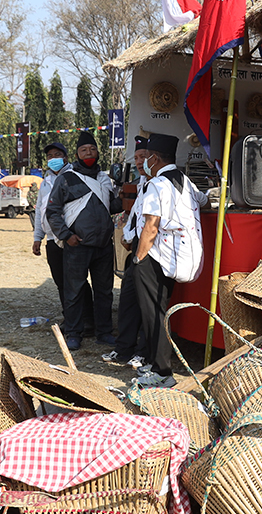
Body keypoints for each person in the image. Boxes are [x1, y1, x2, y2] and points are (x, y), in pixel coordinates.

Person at [132, 133, 206, 388]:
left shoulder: (157, 185)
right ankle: (155, 365)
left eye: (147, 157)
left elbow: (151, 226)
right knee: (160, 311)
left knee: (153, 313)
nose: (145, 163)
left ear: (154, 158)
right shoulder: (185, 181)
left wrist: (138, 258)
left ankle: (163, 372)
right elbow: (203, 199)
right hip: (177, 259)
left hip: (155, 258)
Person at [46, 131, 120, 351]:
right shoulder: (66, 178)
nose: (89, 153)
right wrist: (67, 236)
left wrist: (126, 197)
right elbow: (52, 211)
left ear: (98, 152)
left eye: (92, 149)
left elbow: (110, 207)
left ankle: (104, 332)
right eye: (83, 150)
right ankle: (74, 333)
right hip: (77, 246)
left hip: (104, 246)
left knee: (104, 291)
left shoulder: (104, 179)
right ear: (77, 154)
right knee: (74, 291)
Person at [32, 142, 93, 330]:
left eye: (57, 154)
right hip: (52, 239)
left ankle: (89, 320)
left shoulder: (74, 177)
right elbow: (41, 211)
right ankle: (70, 319)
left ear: (66, 157)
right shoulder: (45, 182)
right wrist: (37, 237)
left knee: (77, 282)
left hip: (70, 237)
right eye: (49, 156)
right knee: (61, 282)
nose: (53, 159)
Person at [102, 136, 151, 371]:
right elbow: (135, 216)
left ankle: (143, 353)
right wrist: (128, 235)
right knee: (128, 301)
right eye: (137, 158)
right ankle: (124, 348)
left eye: (144, 157)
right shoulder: (140, 183)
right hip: (135, 248)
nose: (140, 162)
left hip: (152, 252)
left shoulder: (164, 182)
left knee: (146, 305)